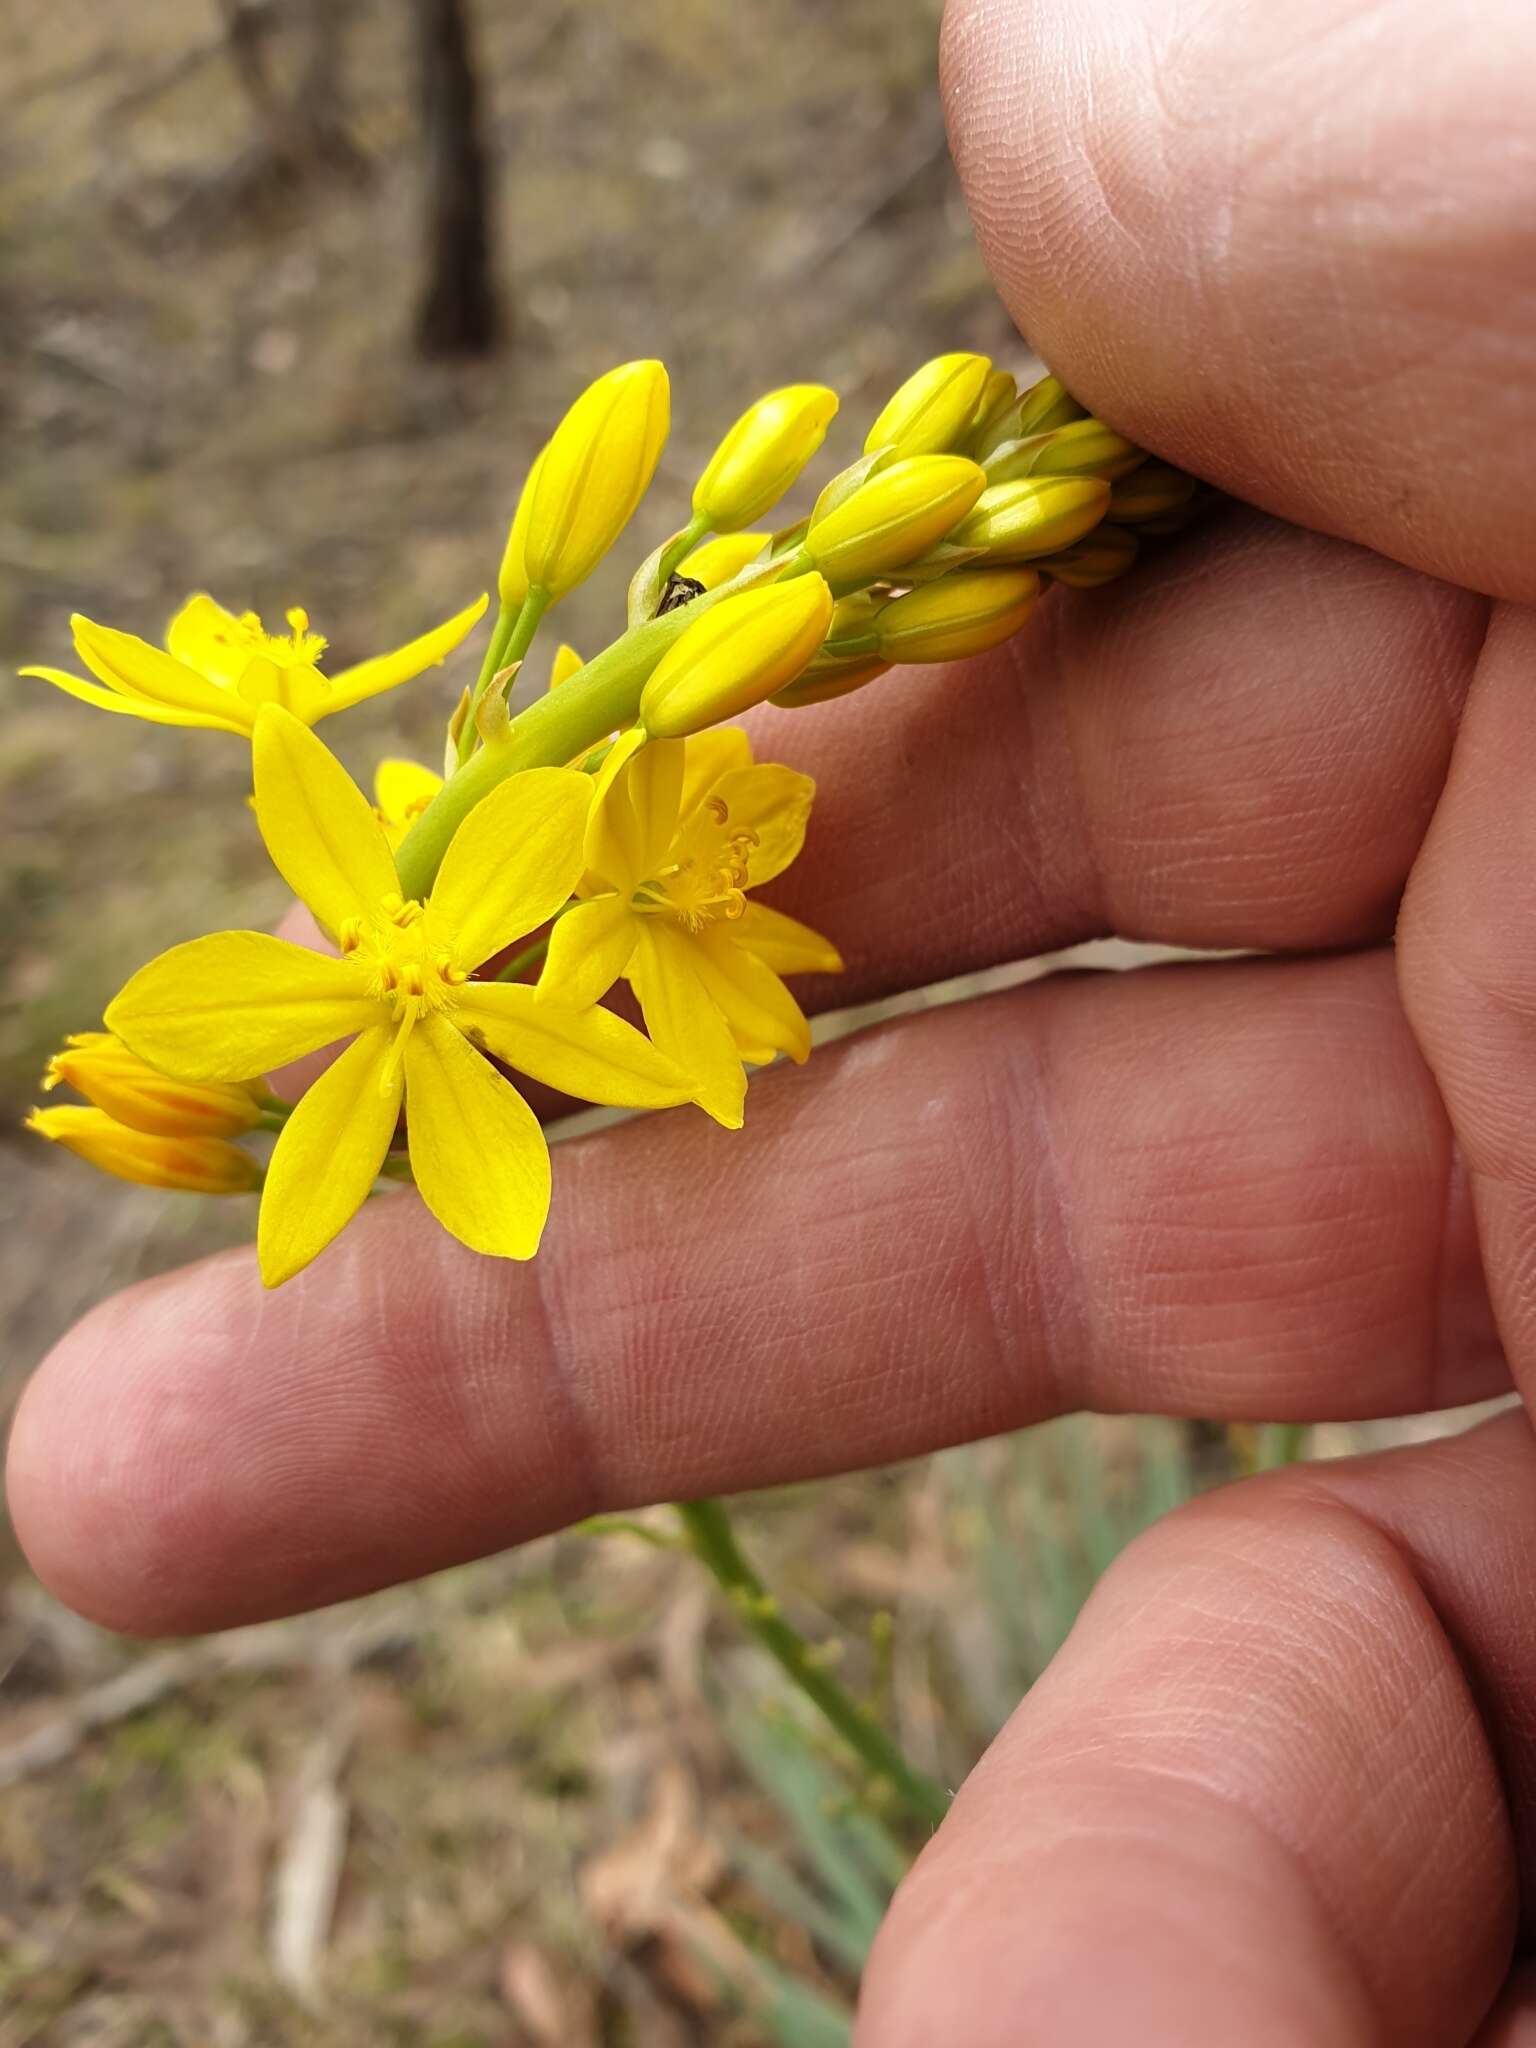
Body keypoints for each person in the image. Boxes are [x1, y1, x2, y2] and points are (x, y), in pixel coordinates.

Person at [9, 0, 1536, 2039]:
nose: (411, 963)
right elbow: (516, 874)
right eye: (411, 956)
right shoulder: (425, 895)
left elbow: (594, 807)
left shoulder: (553, 851)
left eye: (424, 953)